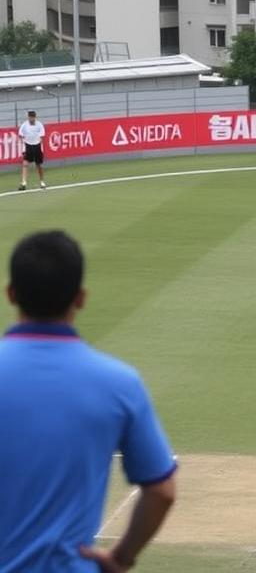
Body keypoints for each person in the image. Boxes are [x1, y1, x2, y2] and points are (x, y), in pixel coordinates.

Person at [0, 230, 177, 572]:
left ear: (11, 293)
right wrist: (121, 558)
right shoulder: (119, 383)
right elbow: (162, 492)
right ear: (80, 298)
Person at [18, 110, 47, 190]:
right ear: (28, 117)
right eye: (30, 117)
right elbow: (20, 135)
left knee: (39, 165)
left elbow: (41, 137)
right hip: (28, 146)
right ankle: (23, 183)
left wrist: (39, 146)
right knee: (25, 164)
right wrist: (23, 145)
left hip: (37, 146)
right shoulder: (24, 125)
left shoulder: (39, 125)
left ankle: (42, 182)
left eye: (33, 117)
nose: (31, 118)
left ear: (35, 117)